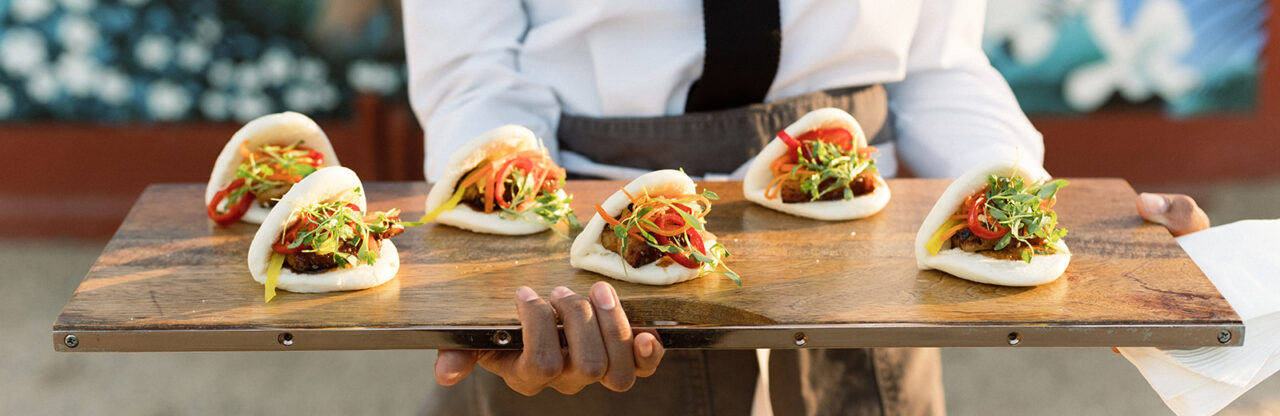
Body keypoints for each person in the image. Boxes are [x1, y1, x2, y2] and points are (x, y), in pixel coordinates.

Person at [403, 1, 1211, 414]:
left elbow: (935, 63)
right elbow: (476, 75)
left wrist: (1029, 213)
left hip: (864, 280)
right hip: (590, 282)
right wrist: (499, 273)